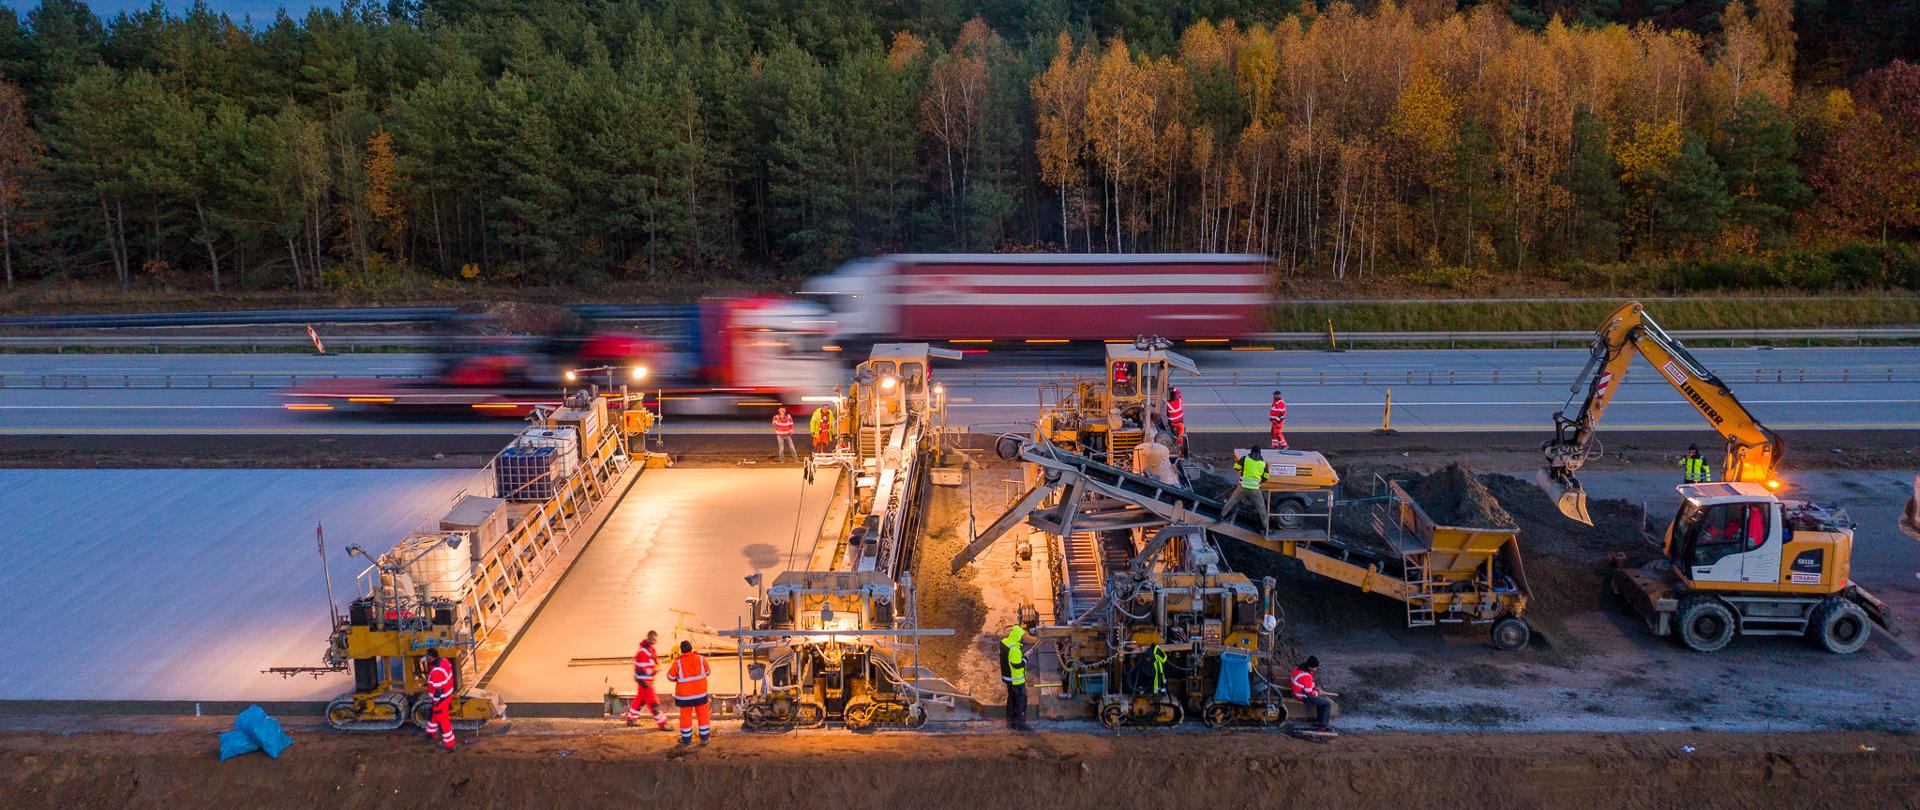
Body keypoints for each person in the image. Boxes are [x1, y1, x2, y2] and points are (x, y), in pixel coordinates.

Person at [665, 640, 712, 746]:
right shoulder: (701, 659)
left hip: (685, 697)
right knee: (703, 714)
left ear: (681, 651)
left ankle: (686, 739)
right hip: (700, 694)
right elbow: (708, 672)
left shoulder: (678, 663)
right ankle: (704, 738)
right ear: (691, 648)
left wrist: (678, 679)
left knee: (685, 716)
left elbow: (670, 676)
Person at [623, 631, 668, 730]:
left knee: (640, 701)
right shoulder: (643, 652)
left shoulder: (650, 650)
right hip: (645, 683)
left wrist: (657, 667)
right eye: (653, 639)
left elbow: (650, 665)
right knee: (653, 703)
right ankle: (662, 723)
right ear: (649, 638)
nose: (654, 641)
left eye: (655, 639)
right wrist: (654, 670)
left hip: (645, 682)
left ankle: (631, 719)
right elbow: (641, 671)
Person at [1221, 446, 1268, 526]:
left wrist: (1242, 467)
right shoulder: (1264, 463)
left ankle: (1221, 516)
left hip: (1243, 487)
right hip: (1255, 489)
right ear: (1260, 453)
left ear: (1251, 451)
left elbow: (1236, 467)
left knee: (1232, 501)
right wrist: (1259, 482)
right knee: (1261, 507)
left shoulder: (1245, 459)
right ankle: (1265, 526)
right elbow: (1266, 477)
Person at [421, 648, 457, 751]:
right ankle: (430, 733)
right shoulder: (443, 661)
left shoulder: (437, 671)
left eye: (427, 657)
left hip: (441, 699)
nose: (426, 659)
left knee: (443, 721)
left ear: (431, 657)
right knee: (434, 715)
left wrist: (436, 702)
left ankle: (449, 743)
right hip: (446, 695)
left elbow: (438, 690)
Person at [1000, 623, 1033, 731]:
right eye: (1021, 637)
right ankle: (1020, 724)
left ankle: (1010, 722)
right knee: (1021, 701)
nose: (1022, 639)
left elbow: (1011, 659)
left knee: (1011, 700)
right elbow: (1017, 665)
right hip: (1016, 680)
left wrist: (1022, 655)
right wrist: (1025, 658)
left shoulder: (1005, 642)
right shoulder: (1014, 649)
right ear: (1017, 637)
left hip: (1008, 678)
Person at [1290, 655, 1334, 732]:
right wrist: (1317, 693)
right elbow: (1309, 692)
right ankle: (1322, 726)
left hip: (1297, 691)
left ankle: (1320, 722)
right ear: (1310, 667)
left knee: (1321, 701)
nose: (1316, 669)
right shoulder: (1306, 675)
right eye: (1315, 667)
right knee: (1327, 704)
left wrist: (1316, 689)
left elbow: (1307, 684)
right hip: (1301, 695)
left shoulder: (1299, 668)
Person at [1166, 387, 1187, 454]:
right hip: (1180, 422)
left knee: (1170, 434)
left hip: (1172, 424)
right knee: (1181, 435)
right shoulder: (1180, 401)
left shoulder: (1167, 404)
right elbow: (1179, 394)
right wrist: (1174, 388)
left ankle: (1172, 446)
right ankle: (1180, 448)